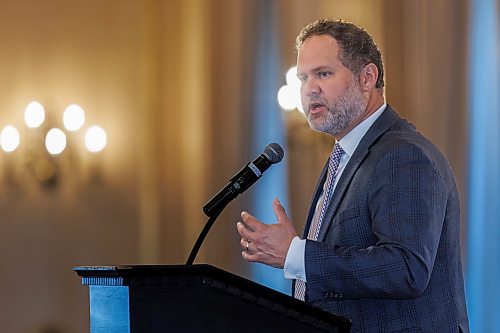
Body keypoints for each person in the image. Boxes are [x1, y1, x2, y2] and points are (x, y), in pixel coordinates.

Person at [236, 19, 469, 332]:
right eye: (304, 77)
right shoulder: (344, 158)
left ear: (367, 78)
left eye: (323, 73)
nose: (309, 89)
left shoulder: (402, 155)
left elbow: (406, 268)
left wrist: (297, 254)